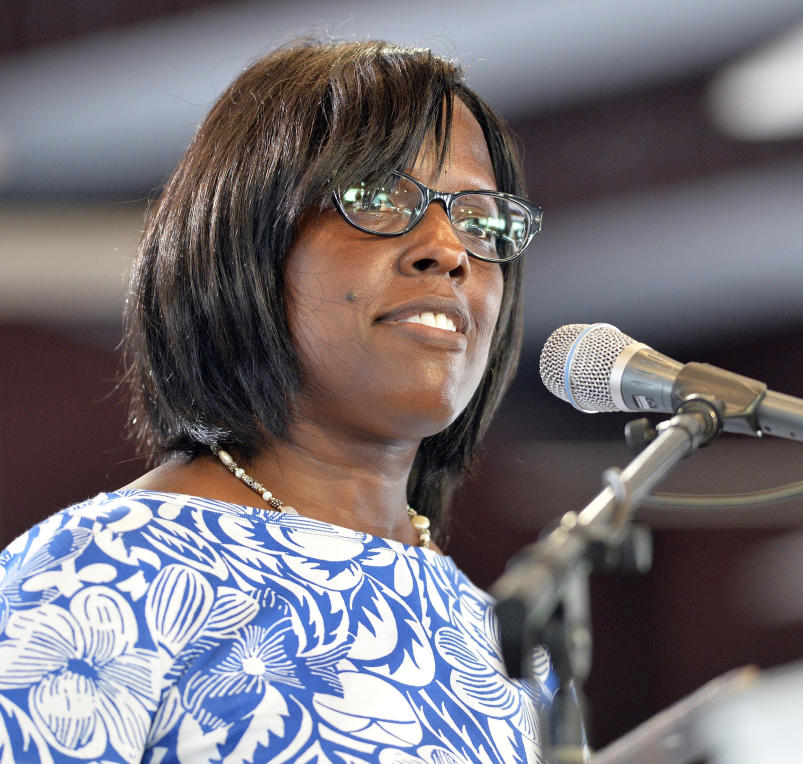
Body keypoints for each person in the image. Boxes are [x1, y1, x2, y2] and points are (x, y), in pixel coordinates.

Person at [0, 39, 553, 763]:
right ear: (246, 240)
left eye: (481, 218)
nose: (448, 248)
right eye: (380, 194)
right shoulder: (99, 574)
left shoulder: (498, 643)